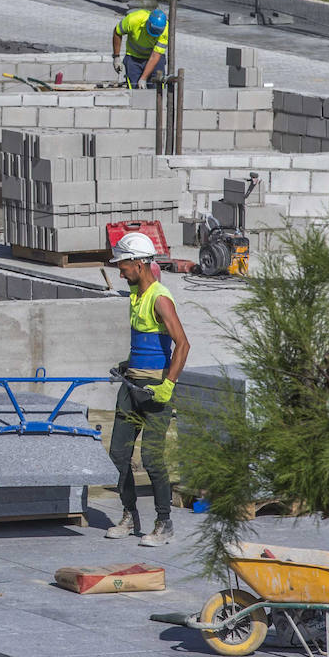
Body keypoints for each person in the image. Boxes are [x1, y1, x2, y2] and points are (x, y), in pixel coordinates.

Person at [106, 232, 190, 546]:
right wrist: (128, 363)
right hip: (132, 386)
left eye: (123, 264)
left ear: (139, 264)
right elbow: (147, 343)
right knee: (118, 455)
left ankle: (164, 523)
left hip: (155, 390)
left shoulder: (160, 298)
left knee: (153, 460)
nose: (120, 270)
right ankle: (129, 516)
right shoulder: (135, 296)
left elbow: (182, 344)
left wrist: (168, 385)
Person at [112, 8, 170, 88]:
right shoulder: (133, 19)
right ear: (148, 23)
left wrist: (143, 78)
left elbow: (155, 56)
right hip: (133, 58)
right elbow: (117, 32)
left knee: (157, 86)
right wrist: (116, 57)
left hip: (153, 58)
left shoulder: (165, 31)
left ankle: (155, 99)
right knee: (134, 89)